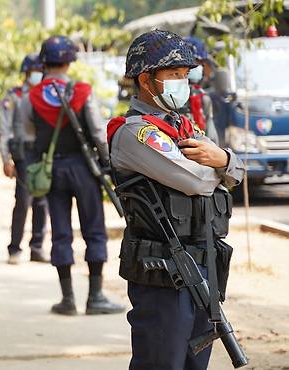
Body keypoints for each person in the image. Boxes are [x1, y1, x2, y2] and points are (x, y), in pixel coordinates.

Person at [107, 30, 244, 370]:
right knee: (161, 362)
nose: (182, 82)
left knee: (195, 363)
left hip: (202, 264)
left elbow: (236, 172)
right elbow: (196, 180)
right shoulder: (135, 132)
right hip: (162, 270)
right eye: (172, 75)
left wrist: (224, 160)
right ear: (146, 79)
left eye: (185, 75)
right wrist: (221, 166)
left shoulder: (183, 126)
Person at [16, 35, 125, 316]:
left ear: (44, 62)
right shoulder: (81, 92)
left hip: (52, 169)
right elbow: (100, 134)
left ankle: (67, 300)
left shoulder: (31, 97)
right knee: (94, 230)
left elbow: (24, 138)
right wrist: (106, 164)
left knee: (61, 233)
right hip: (83, 167)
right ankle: (96, 297)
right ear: (69, 62)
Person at [0, 53, 49, 264]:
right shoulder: (14, 96)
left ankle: (37, 247)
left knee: (42, 200)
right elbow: (5, 128)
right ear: (27, 72)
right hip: (23, 153)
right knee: (23, 200)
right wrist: (5, 158)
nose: (38, 74)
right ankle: (15, 248)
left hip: (42, 152)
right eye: (35, 71)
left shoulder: (46, 94)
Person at [182, 36, 219, 144]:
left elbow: (212, 139)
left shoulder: (202, 97)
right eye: (196, 61)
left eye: (201, 63)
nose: (199, 66)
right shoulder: (168, 96)